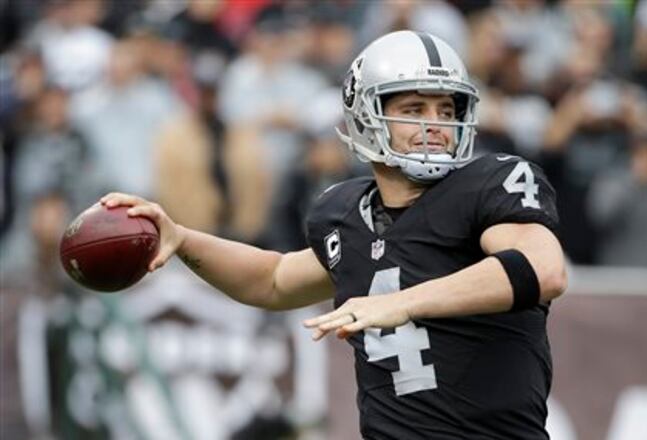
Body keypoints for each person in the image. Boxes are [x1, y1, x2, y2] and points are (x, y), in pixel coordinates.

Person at [101, 31, 567, 439]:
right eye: (414, 109)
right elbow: (274, 279)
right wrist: (184, 239)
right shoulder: (347, 214)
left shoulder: (489, 185)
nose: (436, 124)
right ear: (366, 115)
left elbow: (543, 269)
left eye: (446, 109)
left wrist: (404, 302)